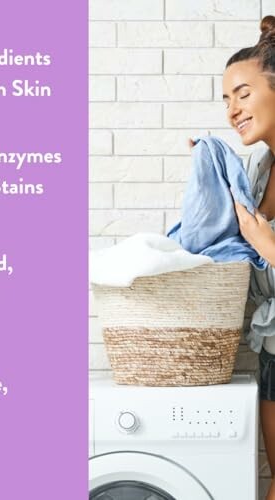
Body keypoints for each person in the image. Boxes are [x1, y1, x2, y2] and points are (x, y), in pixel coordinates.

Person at [222, 14, 275, 499]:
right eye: (226, 99)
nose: (233, 110)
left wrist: (265, 243)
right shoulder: (260, 165)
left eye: (242, 93)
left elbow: (262, 246)